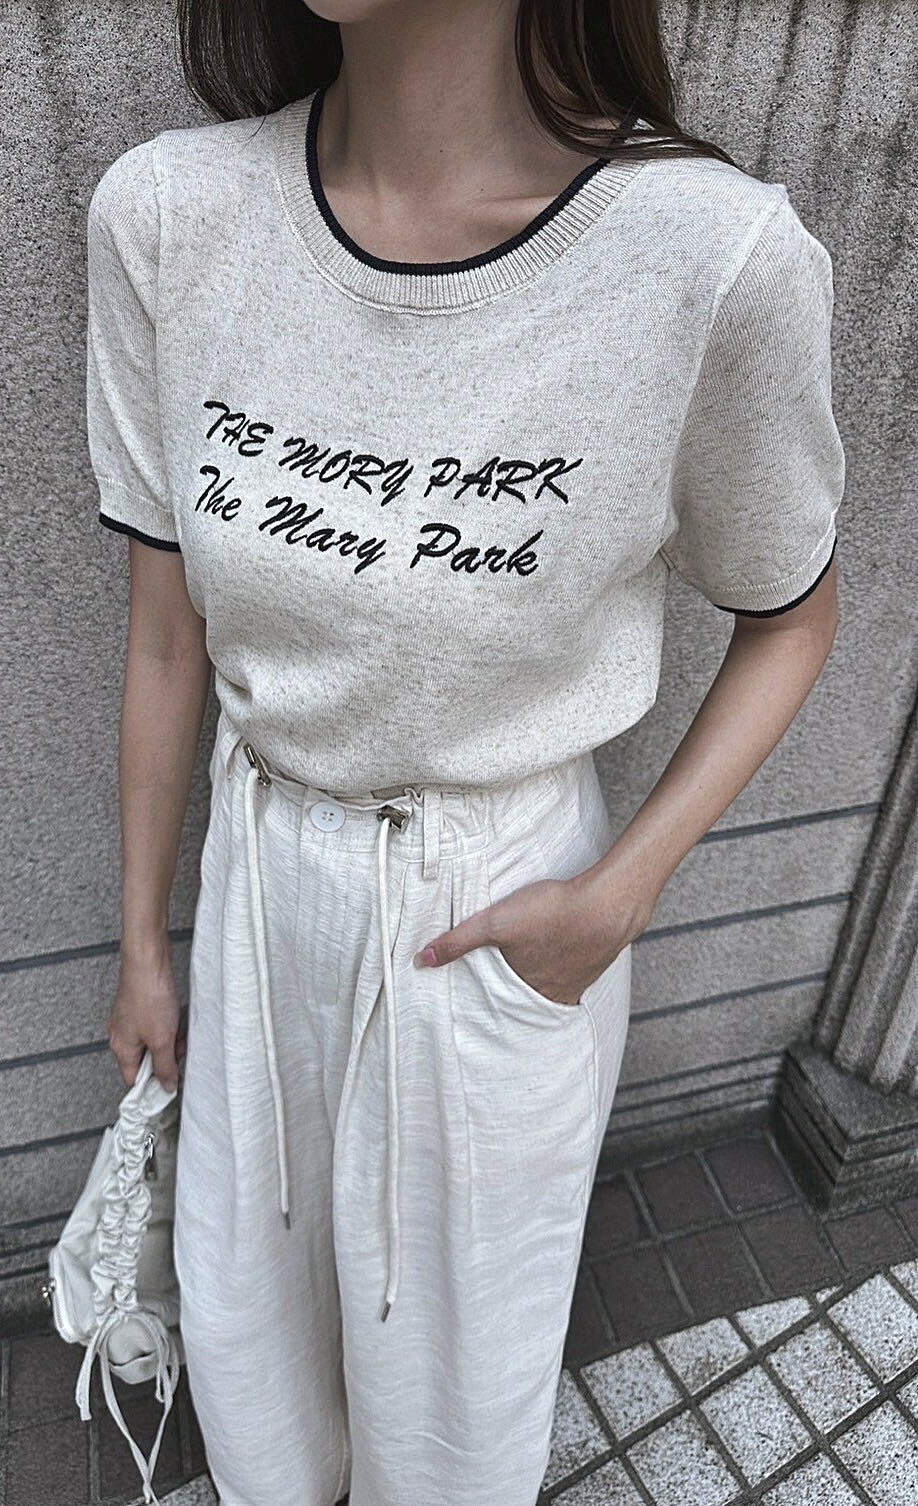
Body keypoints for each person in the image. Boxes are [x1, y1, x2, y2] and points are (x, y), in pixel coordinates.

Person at [84, 2, 843, 1502]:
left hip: (492, 906)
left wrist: (617, 895)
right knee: (249, 1339)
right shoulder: (169, 216)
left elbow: (792, 617)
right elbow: (167, 638)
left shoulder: (708, 259)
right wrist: (141, 943)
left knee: (451, 1402)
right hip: (255, 882)